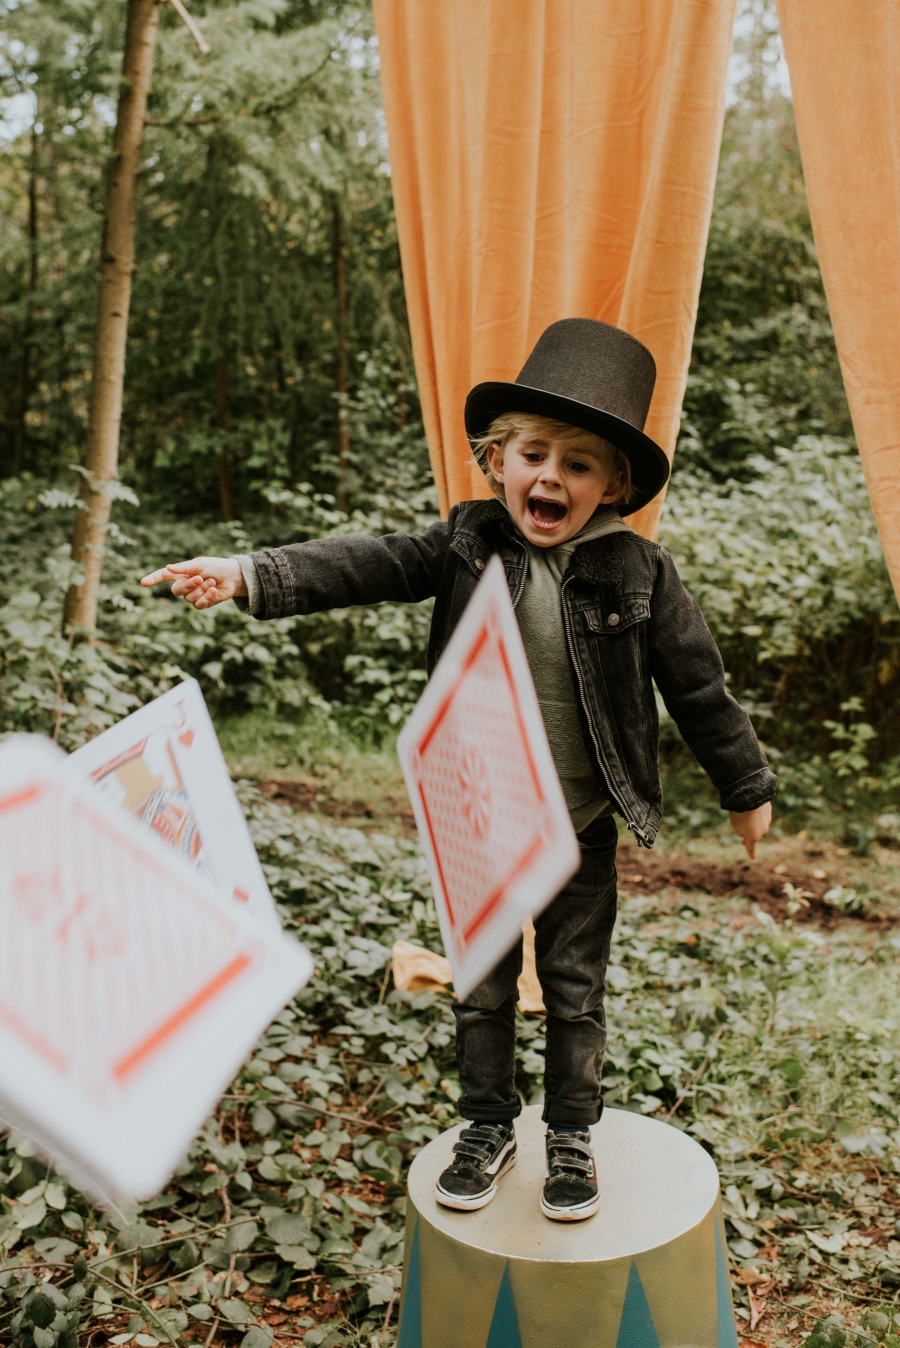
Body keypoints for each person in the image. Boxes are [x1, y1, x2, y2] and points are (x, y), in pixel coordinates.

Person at [142, 318, 775, 1224]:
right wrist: (249, 572)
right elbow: (365, 562)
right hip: (481, 817)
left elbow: (699, 687)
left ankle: (569, 1134)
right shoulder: (466, 544)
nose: (550, 477)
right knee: (480, 984)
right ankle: (488, 1123)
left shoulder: (643, 573)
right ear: (496, 460)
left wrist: (745, 786)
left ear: (615, 484)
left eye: (580, 464)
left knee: (573, 989)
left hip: (581, 825)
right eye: (533, 454)